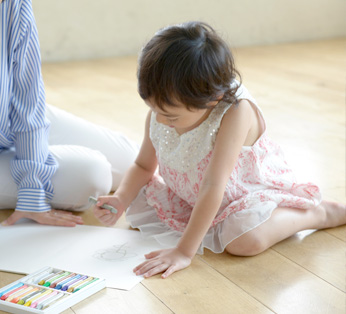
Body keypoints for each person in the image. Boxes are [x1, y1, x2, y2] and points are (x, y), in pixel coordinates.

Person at [93, 21, 346, 279]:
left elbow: (214, 185)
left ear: (212, 99)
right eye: (154, 110)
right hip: (193, 195)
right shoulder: (165, 106)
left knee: (245, 241)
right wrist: (121, 199)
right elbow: (144, 166)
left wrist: (183, 251)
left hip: (243, 195)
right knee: (139, 198)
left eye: (169, 115)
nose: (158, 120)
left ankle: (318, 213)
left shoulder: (235, 111)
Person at [0, 0, 138, 227]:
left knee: (135, 162)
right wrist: (31, 193)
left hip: (8, 113)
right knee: (93, 175)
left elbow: (28, 94)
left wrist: (32, 181)